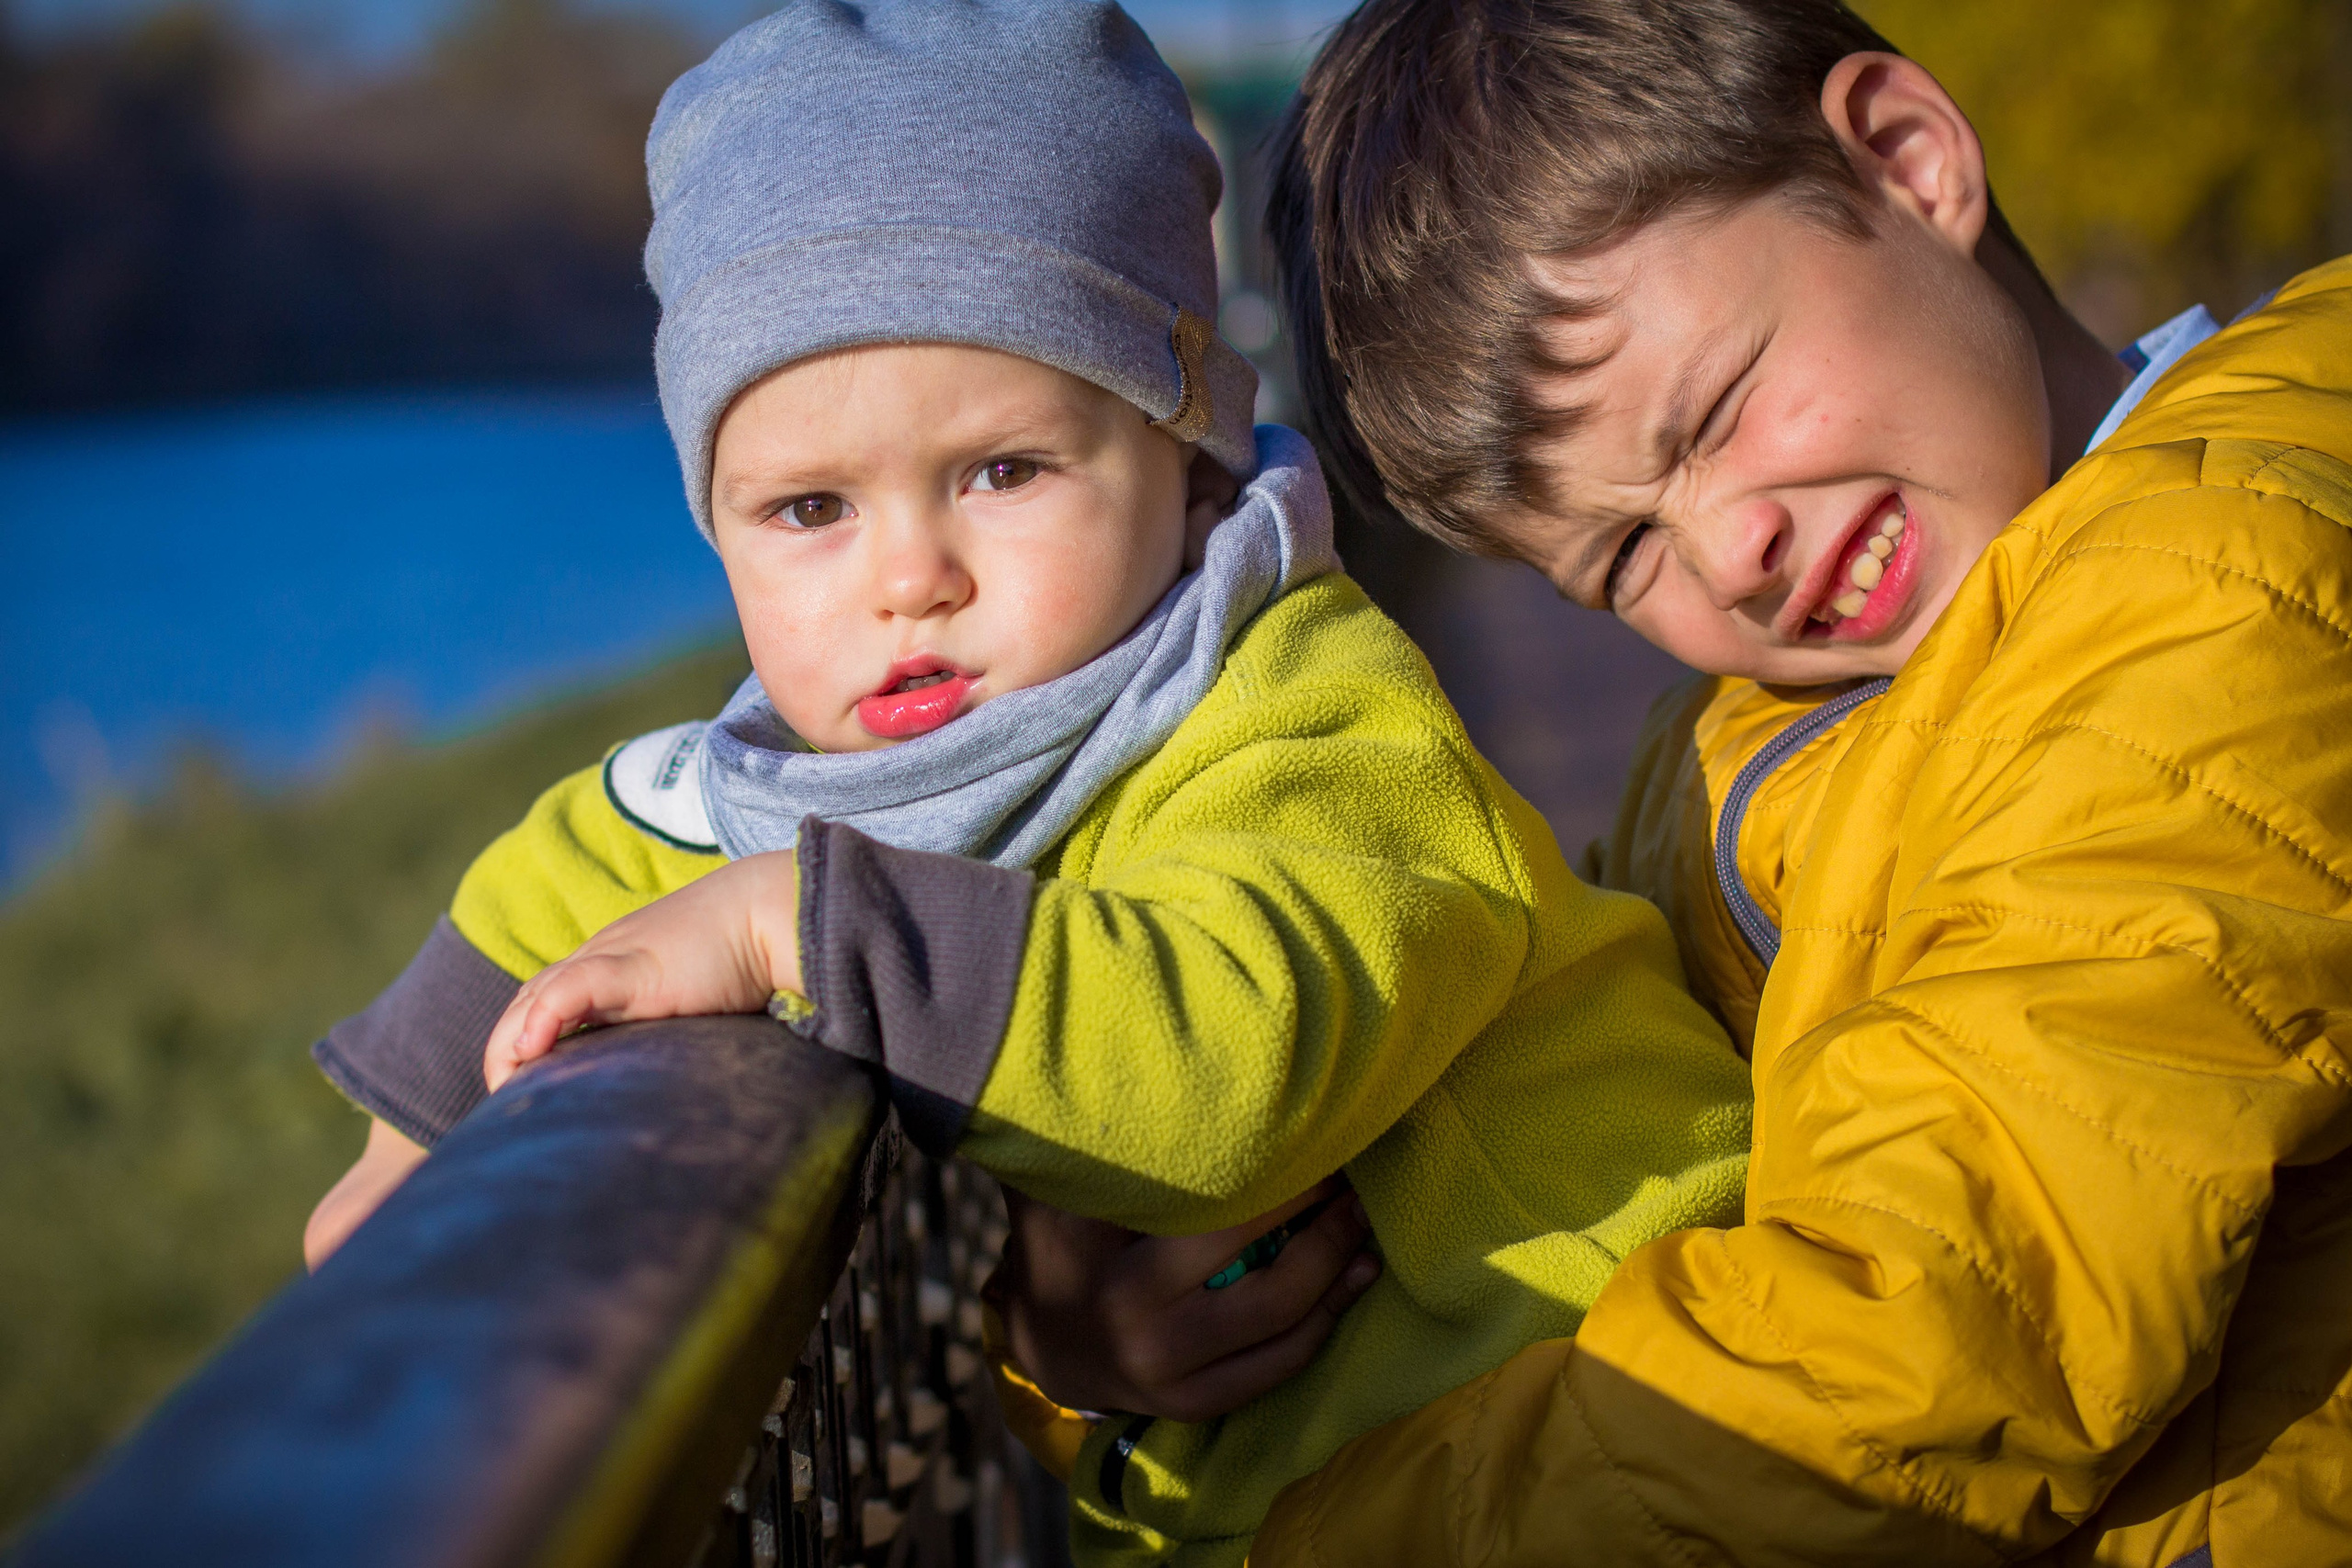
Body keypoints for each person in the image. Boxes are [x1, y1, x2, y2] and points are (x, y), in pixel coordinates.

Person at [300, 4, 1756, 1563]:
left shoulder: (1297, 714)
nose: (910, 577)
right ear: (714, 530)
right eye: (807, 509)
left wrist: (797, 934)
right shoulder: (786, 789)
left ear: (1188, 459)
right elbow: (581, 870)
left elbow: (1235, 1068)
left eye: (1003, 471)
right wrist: (413, 1166)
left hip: (1645, 1421)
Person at [984, 2, 2352, 1563]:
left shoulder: (2212, 601)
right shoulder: (1732, 745)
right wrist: (1130, 1357)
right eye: (1625, 553)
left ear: (1910, 161)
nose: (1729, 555)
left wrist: (1293, 1542)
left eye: (1710, 416)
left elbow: (1921, 1355)